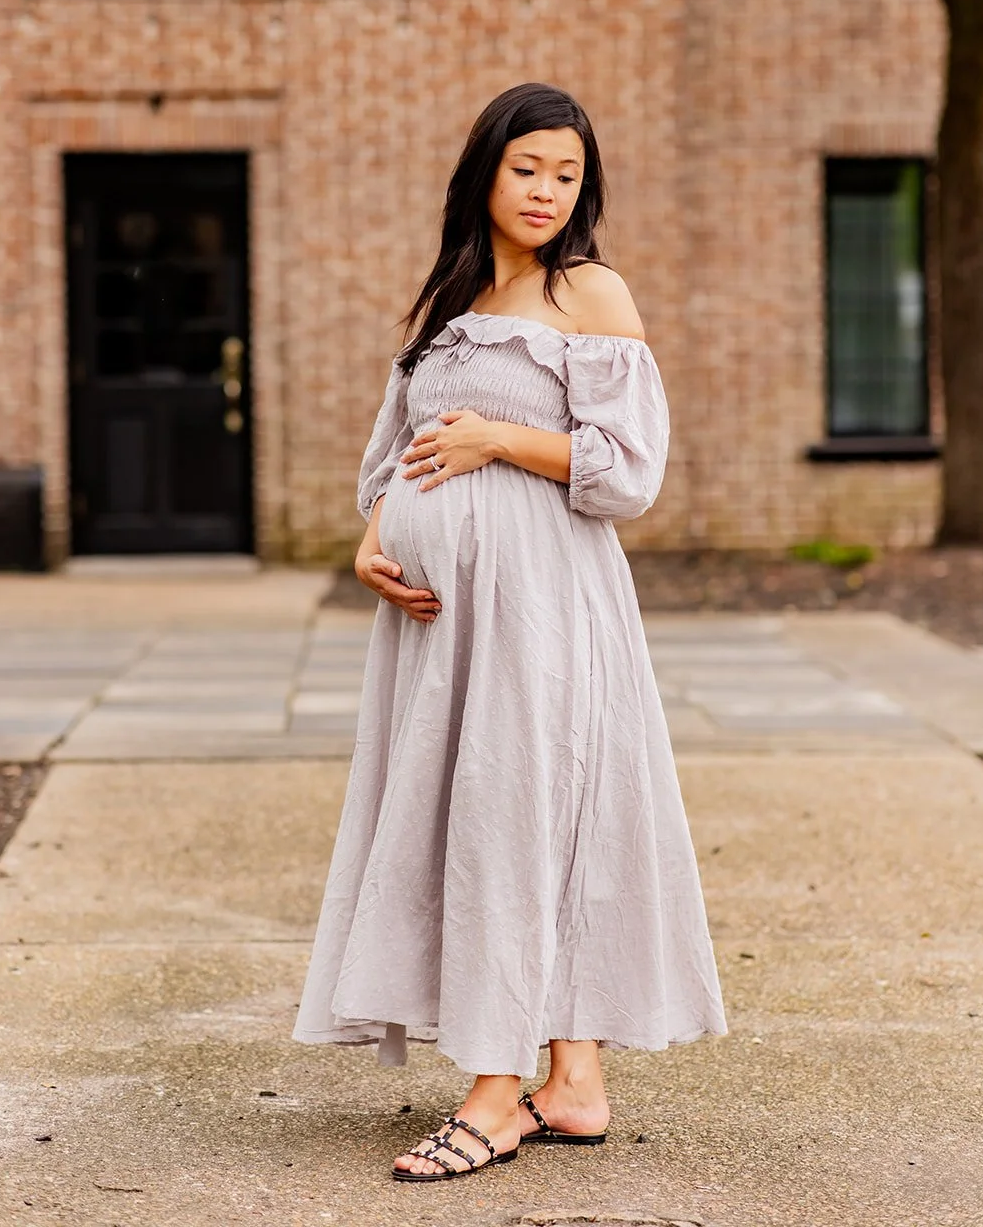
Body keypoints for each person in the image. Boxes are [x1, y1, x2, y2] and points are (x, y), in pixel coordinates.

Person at [292, 82, 727, 1183]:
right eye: (526, 166)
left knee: (518, 814)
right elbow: (397, 454)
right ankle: (570, 1082)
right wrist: (374, 540)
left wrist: (500, 438)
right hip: (445, 629)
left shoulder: (588, 290)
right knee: (481, 813)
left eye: (566, 173)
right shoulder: (453, 293)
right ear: (484, 169)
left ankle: (494, 1089)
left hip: (543, 609)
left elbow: (627, 472)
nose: (544, 190)